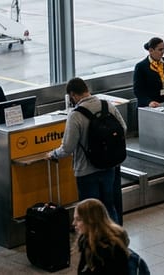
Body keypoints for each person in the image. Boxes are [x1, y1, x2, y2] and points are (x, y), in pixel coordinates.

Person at [51, 77, 127, 224]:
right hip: (109, 166)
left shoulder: (75, 115)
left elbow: (67, 148)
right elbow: (123, 129)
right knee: (109, 207)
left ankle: (94, 243)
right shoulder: (108, 105)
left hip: (86, 171)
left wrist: (53, 154)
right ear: (87, 89)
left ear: (73, 95)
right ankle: (114, 239)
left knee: (90, 213)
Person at [73, 198, 130, 275]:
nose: (74, 223)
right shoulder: (86, 240)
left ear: (91, 221)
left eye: (78, 219)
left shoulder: (107, 250)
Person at [132, 36, 164, 108]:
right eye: (160, 50)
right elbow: (138, 90)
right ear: (151, 50)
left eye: (163, 49)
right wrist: (149, 102)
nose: (163, 52)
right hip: (149, 105)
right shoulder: (141, 66)